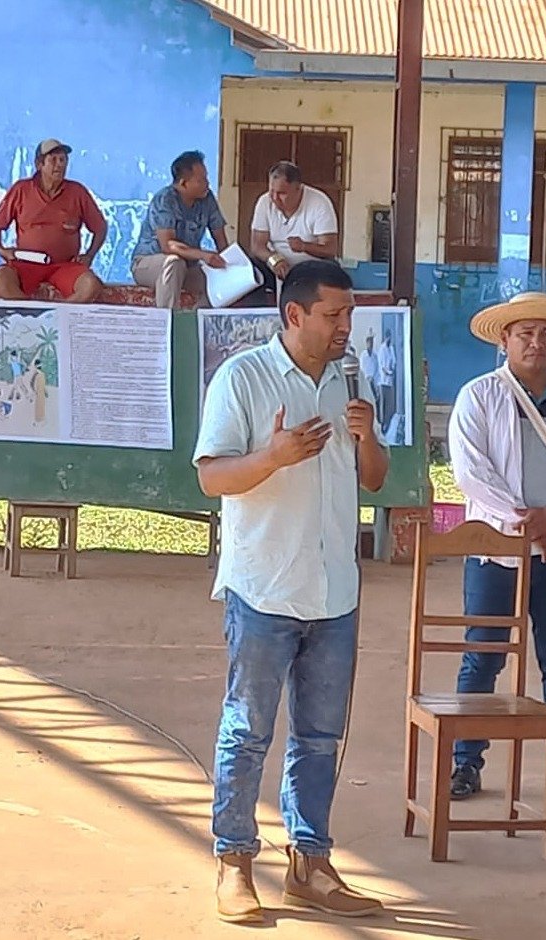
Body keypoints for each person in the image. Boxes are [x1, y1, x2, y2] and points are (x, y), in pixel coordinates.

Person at [193, 260, 388, 924]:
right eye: (333, 315)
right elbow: (212, 477)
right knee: (247, 731)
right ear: (294, 314)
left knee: (320, 737)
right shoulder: (242, 378)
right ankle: (234, 862)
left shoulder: (348, 381)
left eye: (349, 314)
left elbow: (375, 478)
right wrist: (272, 457)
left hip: (335, 592)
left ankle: (310, 864)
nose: (345, 327)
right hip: (264, 588)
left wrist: (367, 436)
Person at [447, 291, 546, 803]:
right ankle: (465, 763)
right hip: (495, 548)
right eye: (525, 333)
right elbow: (472, 474)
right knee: (484, 655)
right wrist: (530, 525)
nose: (536, 343)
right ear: (505, 340)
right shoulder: (479, 396)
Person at [0, 139, 107, 303]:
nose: (59, 165)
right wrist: (2, 250)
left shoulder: (77, 192)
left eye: (63, 160)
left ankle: (58, 315)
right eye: (53, 160)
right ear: (39, 164)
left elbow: (100, 227)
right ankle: (30, 314)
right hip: (26, 264)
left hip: (65, 266)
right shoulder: (21, 190)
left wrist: (89, 255)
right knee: (2, 278)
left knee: (91, 285)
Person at [131, 150, 228, 308]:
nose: (207, 184)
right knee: (174, 263)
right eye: (201, 180)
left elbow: (221, 240)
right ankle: (168, 319)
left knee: (218, 280)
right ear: (183, 183)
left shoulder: (207, 198)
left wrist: (228, 265)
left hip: (189, 266)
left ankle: (197, 319)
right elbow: (168, 246)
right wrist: (204, 255)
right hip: (150, 262)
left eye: (206, 178)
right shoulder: (165, 200)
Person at [250, 161, 338, 290]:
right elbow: (257, 246)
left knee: (332, 271)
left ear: (298, 189)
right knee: (251, 271)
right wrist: (274, 260)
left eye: (282, 193)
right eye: (271, 191)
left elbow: (330, 249)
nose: (275, 198)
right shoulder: (264, 202)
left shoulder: (319, 202)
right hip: (275, 262)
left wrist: (304, 246)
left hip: (310, 264)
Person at [377, 329, 396, 432]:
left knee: (390, 406)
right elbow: (382, 367)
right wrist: (389, 372)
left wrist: (392, 370)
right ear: (386, 337)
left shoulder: (391, 348)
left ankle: (387, 425)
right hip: (383, 381)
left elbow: (394, 362)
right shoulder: (382, 349)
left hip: (390, 382)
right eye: (388, 337)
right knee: (382, 406)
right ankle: (382, 425)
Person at [359, 328, 379, 405]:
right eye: (369, 342)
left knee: (376, 400)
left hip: (373, 381)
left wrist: (375, 381)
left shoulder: (375, 356)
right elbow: (361, 369)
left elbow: (377, 370)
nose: (371, 344)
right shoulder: (363, 356)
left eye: (372, 342)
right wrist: (367, 378)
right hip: (366, 380)